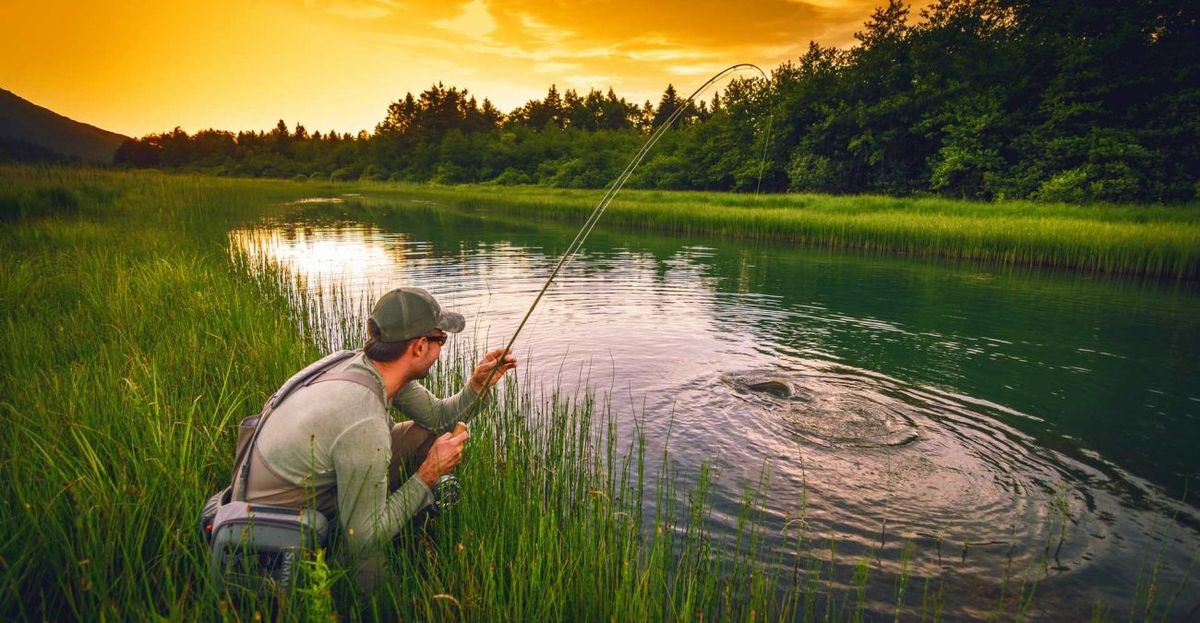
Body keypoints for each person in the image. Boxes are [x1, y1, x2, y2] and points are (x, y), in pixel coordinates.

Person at [235, 287, 517, 587]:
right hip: (282, 519)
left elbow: (438, 419)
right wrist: (428, 474)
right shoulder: (364, 420)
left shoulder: (368, 366)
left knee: (424, 434)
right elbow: (364, 537)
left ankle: (395, 510)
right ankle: (365, 595)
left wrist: (477, 385)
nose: (441, 349)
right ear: (420, 346)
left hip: (298, 480)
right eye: (441, 340)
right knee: (371, 553)